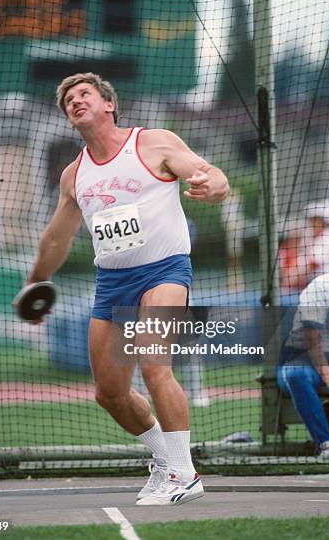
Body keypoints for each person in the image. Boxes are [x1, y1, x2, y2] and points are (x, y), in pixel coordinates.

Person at [25, 72, 230, 505]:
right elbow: (58, 238)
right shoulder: (74, 175)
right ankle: (166, 461)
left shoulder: (152, 142)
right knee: (110, 394)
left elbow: (209, 176)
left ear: (108, 104)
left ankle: (185, 475)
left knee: (155, 366)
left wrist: (214, 187)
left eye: (84, 94)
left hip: (165, 271)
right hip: (112, 282)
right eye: (68, 101)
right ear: (68, 118)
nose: (76, 102)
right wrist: (36, 283)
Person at [277, 226, 329, 457]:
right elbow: (311, 340)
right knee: (296, 374)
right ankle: (326, 443)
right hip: (304, 361)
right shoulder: (319, 287)